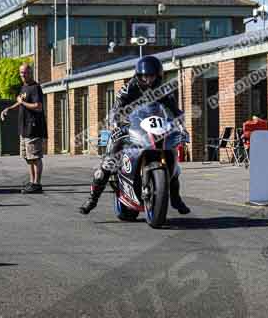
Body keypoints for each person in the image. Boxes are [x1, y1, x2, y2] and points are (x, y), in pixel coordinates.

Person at [79, 55, 191, 215]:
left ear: (158, 76)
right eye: (145, 76)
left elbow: (175, 111)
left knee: (173, 160)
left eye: (151, 76)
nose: (148, 80)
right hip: (128, 128)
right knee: (109, 162)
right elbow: (115, 109)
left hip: (153, 131)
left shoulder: (163, 91)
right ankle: (92, 199)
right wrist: (116, 122)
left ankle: (175, 198)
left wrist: (181, 126)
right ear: (138, 76)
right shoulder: (129, 88)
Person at [1, 64, 47, 194]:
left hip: (34, 128)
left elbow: (38, 106)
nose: (23, 75)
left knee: (35, 157)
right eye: (21, 73)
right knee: (28, 157)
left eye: (25, 73)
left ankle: (37, 184)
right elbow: (20, 101)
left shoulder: (35, 88)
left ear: (30, 73)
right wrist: (9, 108)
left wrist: (22, 103)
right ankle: (32, 182)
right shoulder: (24, 87)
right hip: (24, 128)